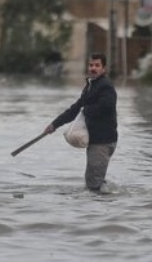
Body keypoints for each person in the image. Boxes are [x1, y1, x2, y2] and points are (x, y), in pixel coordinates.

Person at [45, 52, 118, 192]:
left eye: (97, 65)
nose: (93, 68)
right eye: (91, 65)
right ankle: (100, 207)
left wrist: (86, 110)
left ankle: (98, 211)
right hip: (96, 141)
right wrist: (54, 125)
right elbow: (74, 110)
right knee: (93, 181)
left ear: (104, 69)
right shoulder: (90, 86)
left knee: (93, 185)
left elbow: (107, 106)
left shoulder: (105, 86)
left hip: (103, 141)